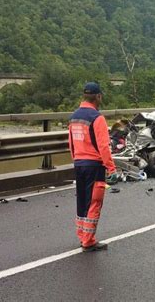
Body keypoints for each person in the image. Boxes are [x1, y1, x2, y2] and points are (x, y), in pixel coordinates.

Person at [68, 82, 117, 252]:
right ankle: (88, 241)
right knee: (94, 202)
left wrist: (75, 160)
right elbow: (104, 146)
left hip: (79, 163)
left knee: (82, 200)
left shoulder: (74, 117)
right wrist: (111, 168)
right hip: (94, 166)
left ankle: (83, 235)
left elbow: (71, 143)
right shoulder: (97, 118)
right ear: (98, 96)